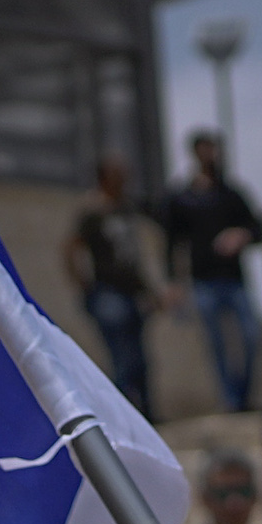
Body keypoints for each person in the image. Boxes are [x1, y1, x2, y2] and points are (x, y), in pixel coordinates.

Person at [162, 126, 262, 412]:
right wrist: (173, 282)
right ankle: (231, 400)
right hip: (203, 281)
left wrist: (241, 235)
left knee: (250, 335)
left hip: (234, 280)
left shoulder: (231, 195)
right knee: (217, 344)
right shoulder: (183, 198)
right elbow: (172, 243)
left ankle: (243, 396)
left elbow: (258, 228)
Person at [66, 154, 157, 413]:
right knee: (122, 361)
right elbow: (71, 249)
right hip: (108, 293)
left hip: (132, 293)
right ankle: (124, 415)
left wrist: (150, 291)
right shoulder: (92, 211)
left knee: (139, 359)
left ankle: (146, 413)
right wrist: (83, 286)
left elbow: (133, 257)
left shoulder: (126, 209)